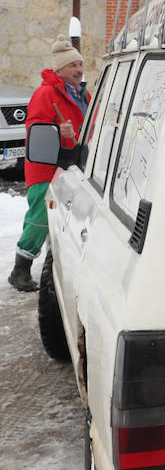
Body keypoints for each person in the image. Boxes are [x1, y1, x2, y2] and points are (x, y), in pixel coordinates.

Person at [10, 38, 87, 292]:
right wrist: (58, 130)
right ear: (60, 69)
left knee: (67, 218)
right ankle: (20, 270)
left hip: (70, 163)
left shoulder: (82, 93)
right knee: (40, 217)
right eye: (73, 65)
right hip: (45, 165)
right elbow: (34, 128)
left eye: (80, 63)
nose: (79, 69)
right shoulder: (46, 93)